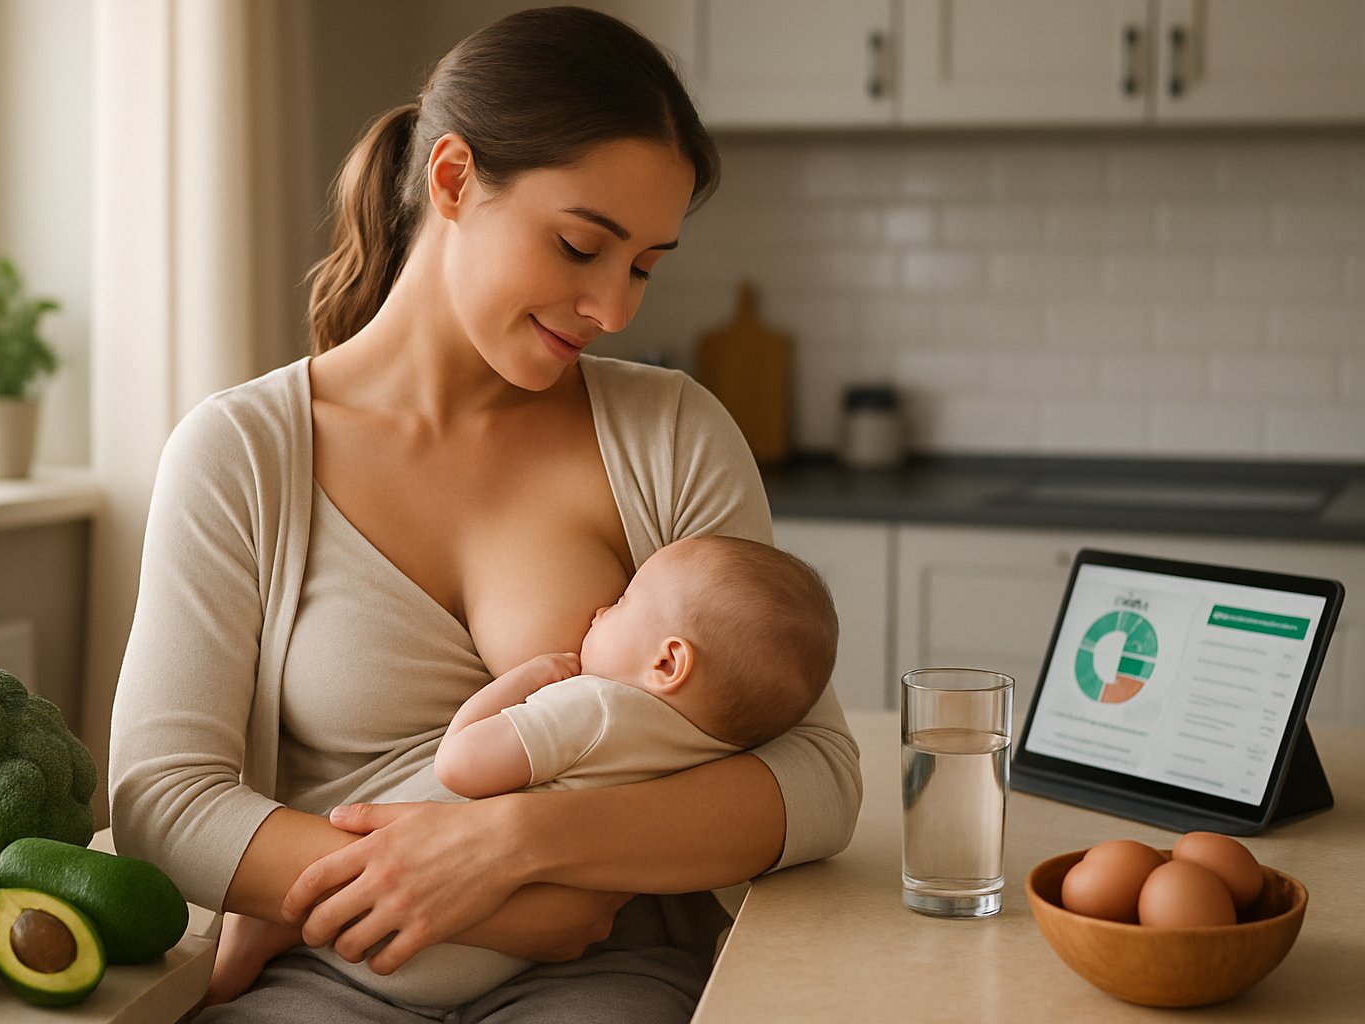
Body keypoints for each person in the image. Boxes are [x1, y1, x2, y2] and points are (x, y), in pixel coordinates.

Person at [108, 7, 862, 1022]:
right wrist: (470, 898)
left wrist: (517, 848)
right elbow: (163, 800)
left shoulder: (670, 432)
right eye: (580, 245)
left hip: (614, 964)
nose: (615, 309)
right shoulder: (241, 452)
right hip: (337, 965)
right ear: (453, 179)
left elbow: (816, 777)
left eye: (642, 264)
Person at [205, 535, 839, 1008]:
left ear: (669, 662)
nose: (600, 612)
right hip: (490, 960)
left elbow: (461, 765)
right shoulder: (712, 754)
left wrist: (522, 685)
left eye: (622, 604)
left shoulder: (592, 707)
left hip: (395, 942)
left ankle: (277, 924)